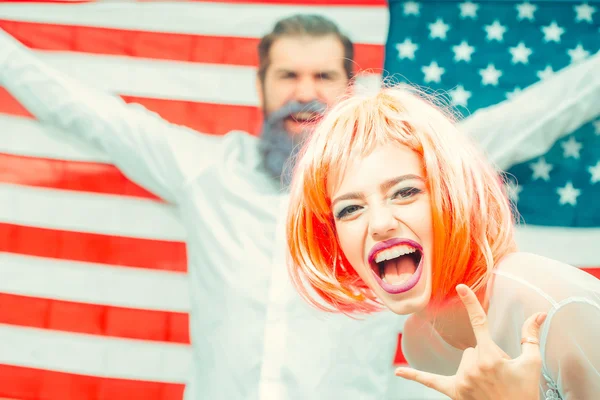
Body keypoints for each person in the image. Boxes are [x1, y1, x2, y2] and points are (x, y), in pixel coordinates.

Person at [0, 13, 597, 400]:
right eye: (288, 75)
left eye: (322, 75)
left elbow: (533, 117)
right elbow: (87, 114)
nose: (305, 92)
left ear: (348, 91)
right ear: (260, 87)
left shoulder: (415, 159)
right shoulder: (204, 170)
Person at [285, 70, 600, 399]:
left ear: (451, 196)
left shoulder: (555, 305)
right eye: (350, 209)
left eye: (405, 192)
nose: (379, 223)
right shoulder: (422, 342)